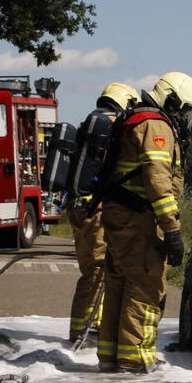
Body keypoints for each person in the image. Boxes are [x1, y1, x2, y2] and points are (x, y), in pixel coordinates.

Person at [97, 72, 192, 374]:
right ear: (171, 98)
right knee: (145, 287)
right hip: (139, 218)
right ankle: (136, 359)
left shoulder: (137, 118)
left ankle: (110, 356)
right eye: (184, 109)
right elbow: (158, 181)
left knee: (120, 284)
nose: (185, 117)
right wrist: (172, 230)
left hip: (120, 215)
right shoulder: (156, 124)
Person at [67, 82, 139, 342]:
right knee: (97, 269)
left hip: (78, 204)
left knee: (92, 268)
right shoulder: (110, 125)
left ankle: (85, 326)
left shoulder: (90, 122)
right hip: (94, 207)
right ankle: (82, 332)